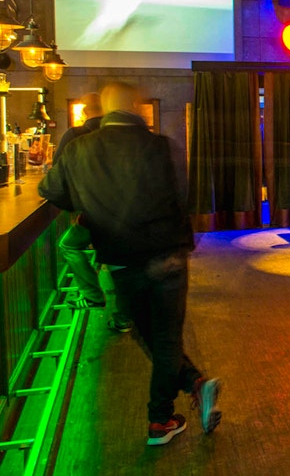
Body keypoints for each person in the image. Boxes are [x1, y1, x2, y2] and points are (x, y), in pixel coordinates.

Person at [39, 82, 221, 447]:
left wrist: (89, 204)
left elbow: (51, 191)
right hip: (167, 254)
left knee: (147, 333)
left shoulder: (78, 149)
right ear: (135, 106)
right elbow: (183, 195)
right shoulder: (161, 146)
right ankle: (185, 392)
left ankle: (166, 414)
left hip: (121, 257)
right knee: (164, 336)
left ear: (104, 110)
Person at [53, 93, 134, 333]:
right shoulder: (120, 135)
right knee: (119, 261)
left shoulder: (75, 134)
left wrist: (73, 206)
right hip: (126, 209)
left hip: (93, 210)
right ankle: (123, 317)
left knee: (69, 245)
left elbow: (58, 173)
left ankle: (92, 294)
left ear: (84, 111)